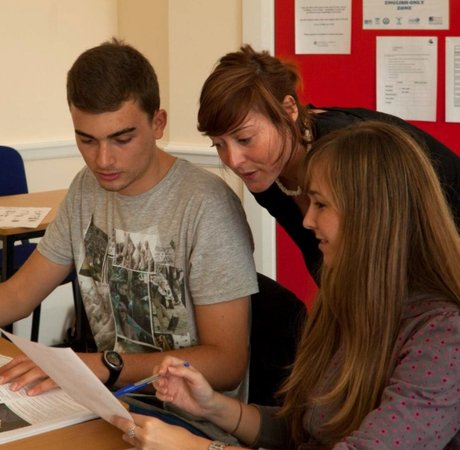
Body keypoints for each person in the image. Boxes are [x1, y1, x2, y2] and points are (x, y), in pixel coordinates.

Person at [110, 121, 460, 449]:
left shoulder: (444, 335)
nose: (307, 219)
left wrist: (198, 446)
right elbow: (300, 429)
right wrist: (213, 406)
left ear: (373, 218)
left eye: (321, 204)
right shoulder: (344, 301)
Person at [0, 39, 258, 400]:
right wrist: (99, 371)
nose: (103, 160)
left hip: (191, 420)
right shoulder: (85, 190)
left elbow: (227, 364)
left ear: (158, 123)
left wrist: (102, 366)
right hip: (112, 402)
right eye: (86, 139)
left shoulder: (205, 205)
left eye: (122, 138)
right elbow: (18, 293)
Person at [196, 44, 460, 280]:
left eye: (244, 139)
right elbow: (323, 265)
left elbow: (384, 269)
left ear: (288, 110)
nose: (233, 160)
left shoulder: (345, 151)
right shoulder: (266, 172)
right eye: (218, 144)